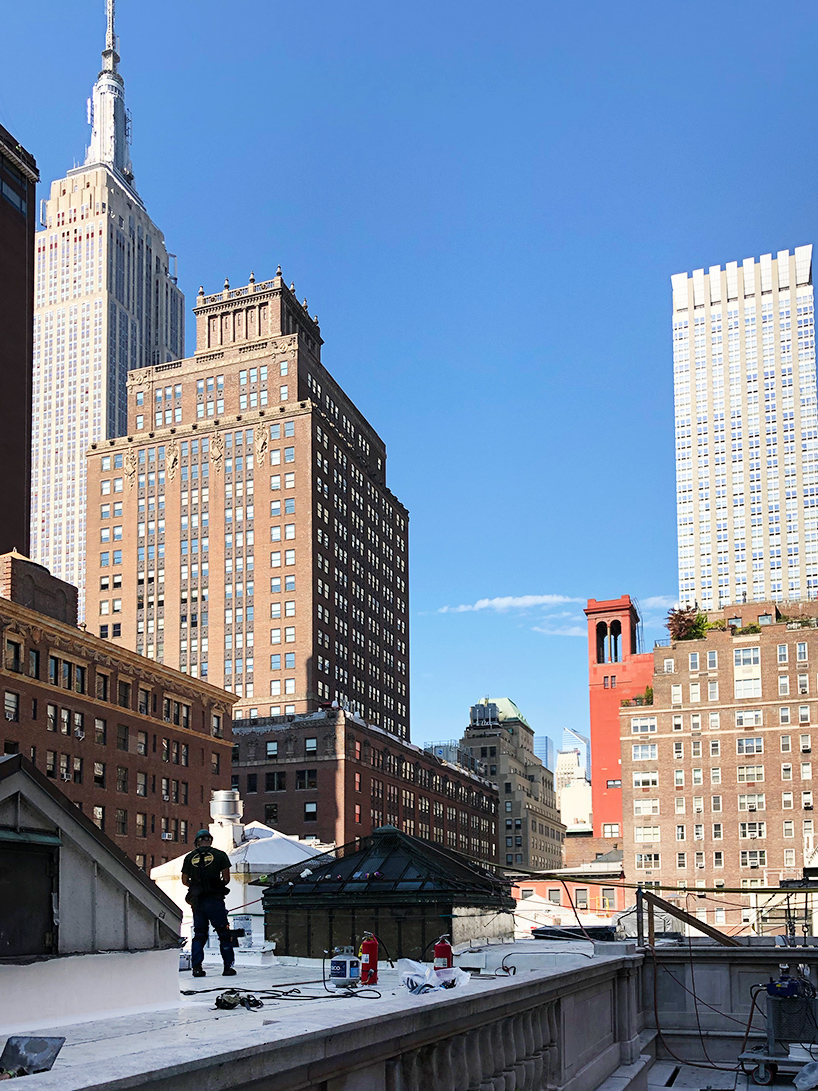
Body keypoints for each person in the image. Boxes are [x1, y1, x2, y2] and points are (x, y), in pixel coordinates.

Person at [181, 829, 236, 977]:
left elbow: (185, 881)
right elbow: (226, 879)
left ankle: (197, 967)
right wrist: (215, 885)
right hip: (215, 901)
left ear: (197, 841)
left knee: (199, 934)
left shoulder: (189, 857)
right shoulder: (220, 856)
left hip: (198, 902)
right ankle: (227, 967)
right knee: (224, 934)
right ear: (210, 840)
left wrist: (197, 887)